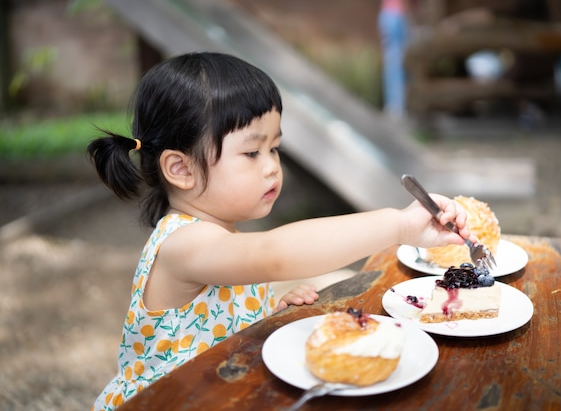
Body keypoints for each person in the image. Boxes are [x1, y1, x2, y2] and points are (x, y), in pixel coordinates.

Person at [88, 52, 474, 411]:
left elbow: (213, 322)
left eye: (275, 149)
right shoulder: (182, 244)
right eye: (253, 153)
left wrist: (266, 313)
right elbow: (276, 254)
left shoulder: (220, 238)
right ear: (182, 169)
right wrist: (399, 225)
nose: (272, 166)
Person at [378, 0, 410, 118]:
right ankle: (396, 106)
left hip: (390, 15)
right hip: (396, 16)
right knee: (397, 63)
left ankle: (396, 105)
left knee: (395, 63)